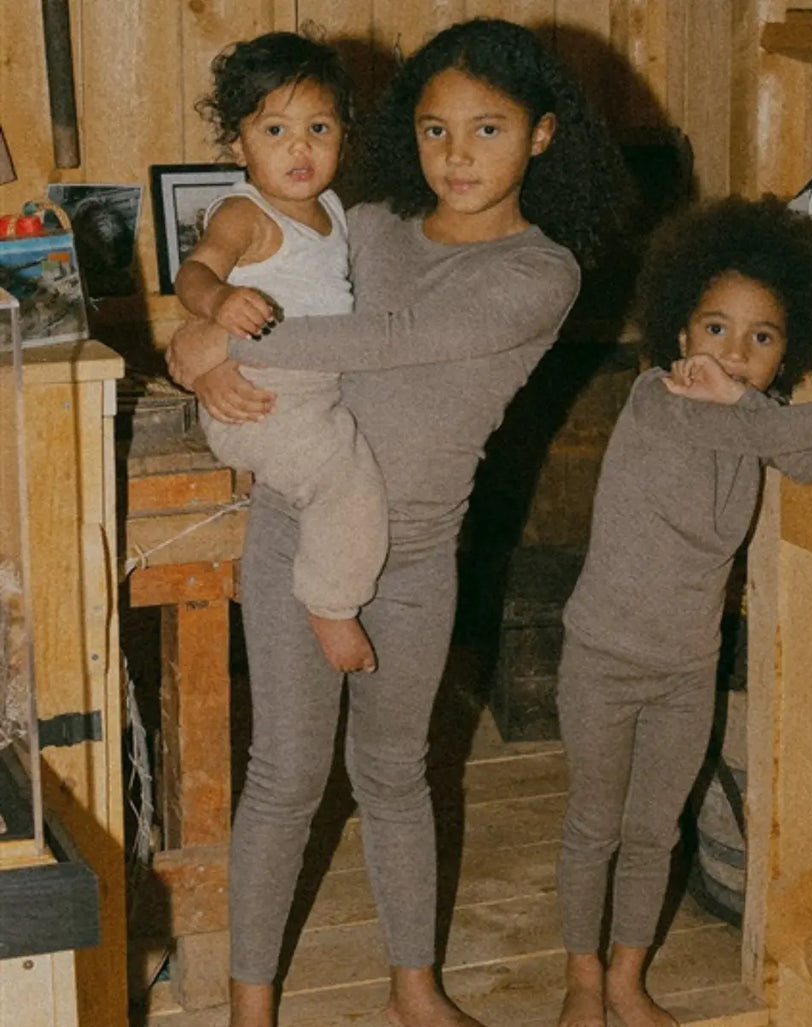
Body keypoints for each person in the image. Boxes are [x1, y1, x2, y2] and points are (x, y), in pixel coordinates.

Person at [165, 18, 629, 1027]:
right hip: (295, 531)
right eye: (433, 129)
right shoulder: (367, 224)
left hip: (416, 559)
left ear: (542, 134)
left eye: (487, 129)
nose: (456, 155)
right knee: (283, 777)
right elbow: (245, 277)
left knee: (395, 773)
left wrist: (216, 346)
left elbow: (393, 337)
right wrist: (194, 339)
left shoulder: (541, 273)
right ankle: (249, 1010)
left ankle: (414, 989)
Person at [554, 195, 812, 1027]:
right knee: (594, 824)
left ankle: (626, 978)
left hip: (686, 669)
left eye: (763, 338)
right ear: (679, 330)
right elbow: (775, 435)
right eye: (716, 328)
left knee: (656, 830)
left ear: (788, 351)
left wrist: (756, 402)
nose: (734, 351)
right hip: (604, 658)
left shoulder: (752, 418)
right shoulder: (655, 398)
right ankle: (581, 978)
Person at [175, 30, 384, 674]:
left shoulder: (333, 208)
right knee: (345, 480)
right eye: (275, 131)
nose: (300, 147)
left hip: (311, 391)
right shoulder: (246, 213)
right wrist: (219, 301)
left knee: (352, 458)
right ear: (239, 145)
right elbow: (193, 273)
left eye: (319, 128)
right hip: (260, 396)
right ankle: (330, 603)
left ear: (344, 135)